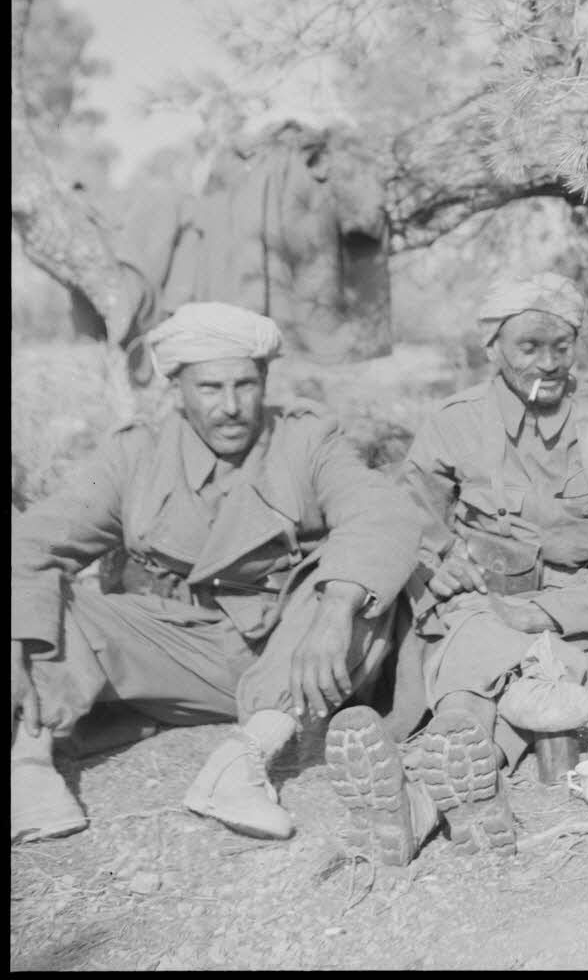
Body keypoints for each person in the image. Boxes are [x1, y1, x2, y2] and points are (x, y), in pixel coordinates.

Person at [11, 302, 422, 845]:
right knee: (51, 602)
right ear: (176, 388)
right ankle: (31, 763)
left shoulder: (305, 440)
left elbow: (380, 511)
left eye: (244, 385)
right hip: (181, 650)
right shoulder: (135, 456)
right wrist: (18, 636)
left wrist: (335, 610)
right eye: (209, 388)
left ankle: (241, 763)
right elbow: (36, 539)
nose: (230, 407)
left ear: (264, 381)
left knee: (355, 581)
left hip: (291, 651)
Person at [325, 272, 588, 862]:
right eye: (528, 348)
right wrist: (434, 567)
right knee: (518, 670)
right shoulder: (455, 424)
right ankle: (448, 785)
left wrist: (529, 613)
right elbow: (408, 525)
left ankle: (434, 768)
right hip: (476, 605)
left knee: (539, 663)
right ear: (494, 349)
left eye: (562, 347)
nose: (549, 363)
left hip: (579, 615)